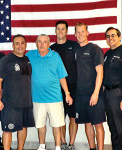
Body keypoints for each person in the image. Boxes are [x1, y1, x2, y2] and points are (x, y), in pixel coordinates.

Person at [26, 34, 73, 150]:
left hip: (54, 98)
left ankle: (57, 147)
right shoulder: (30, 55)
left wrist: (67, 93)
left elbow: (62, 76)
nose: (42, 44)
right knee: (40, 125)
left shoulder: (55, 56)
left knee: (56, 125)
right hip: (37, 98)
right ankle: (42, 146)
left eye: (45, 42)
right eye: (40, 42)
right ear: (36, 43)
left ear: (49, 44)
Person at [0, 34, 35, 150]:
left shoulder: (27, 60)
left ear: (26, 45)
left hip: (26, 103)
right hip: (10, 103)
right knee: (8, 130)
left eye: (22, 43)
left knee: (23, 127)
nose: (20, 46)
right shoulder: (6, 60)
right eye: (17, 43)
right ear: (13, 45)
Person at [74, 23, 105, 150]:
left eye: (83, 32)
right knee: (87, 123)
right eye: (78, 32)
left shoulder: (94, 49)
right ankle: (92, 148)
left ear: (87, 33)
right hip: (80, 94)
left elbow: (100, 72)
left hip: (94, 94)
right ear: (75, 34)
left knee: (97, 124)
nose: (80, 34)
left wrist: (96, 93)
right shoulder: (76, 50)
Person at [50, 20, 78, 150]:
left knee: (72, 117)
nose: (60, 31)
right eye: (58, 29)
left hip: (73, 87)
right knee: (60, 118)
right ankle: (62, 142)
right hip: (57, 89)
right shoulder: (51, 49)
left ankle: (71, 144)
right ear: (55, 31)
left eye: (63, 29)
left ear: (67, 31)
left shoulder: (74, 45)